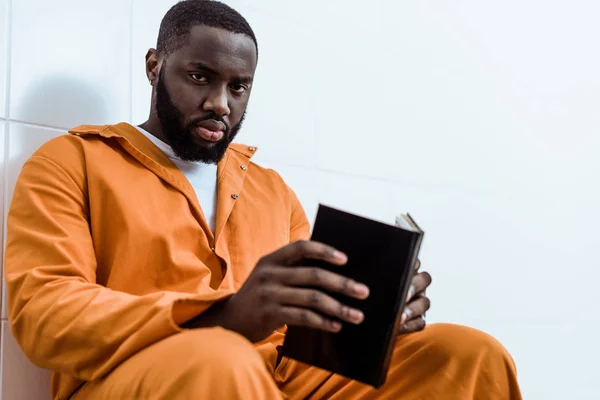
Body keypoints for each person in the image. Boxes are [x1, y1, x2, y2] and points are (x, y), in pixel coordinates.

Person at [4, 1, 522, 399]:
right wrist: (221, 315)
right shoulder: (70, 161)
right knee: (222, 359)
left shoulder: (271, 190)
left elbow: (300, 330)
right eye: (200, 76)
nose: (219, 103)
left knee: (469, 355)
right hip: (142, 379)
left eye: (239, 87)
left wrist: (372, 319)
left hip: (273, 379)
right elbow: (45, 314)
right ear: (154, 65)